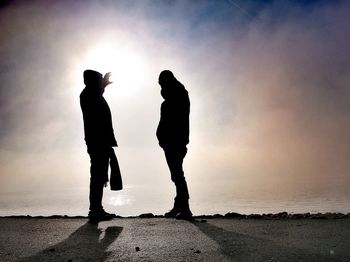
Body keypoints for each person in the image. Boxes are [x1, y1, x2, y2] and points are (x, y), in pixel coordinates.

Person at [80, 69, 121, 223]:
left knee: (99, 175)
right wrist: (102, 85)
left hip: (100, 140)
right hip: (97, 141)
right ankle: (95, 210)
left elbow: (97, 94)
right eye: (97, 80)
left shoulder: (91, 94)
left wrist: (103, 85)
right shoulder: (88, 95)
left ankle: (97, 208)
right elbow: (95, 96)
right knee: (98, 175)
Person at [156, 70, 193, 220]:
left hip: (174, 142)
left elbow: (170, 122)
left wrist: (165, 140)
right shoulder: (175, 98)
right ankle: (179, 206)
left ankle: (185, 208)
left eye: (162, 83)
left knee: (178, 175)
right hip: (171, 142)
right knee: (177, 175)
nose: (161, 88)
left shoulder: (176, 99)